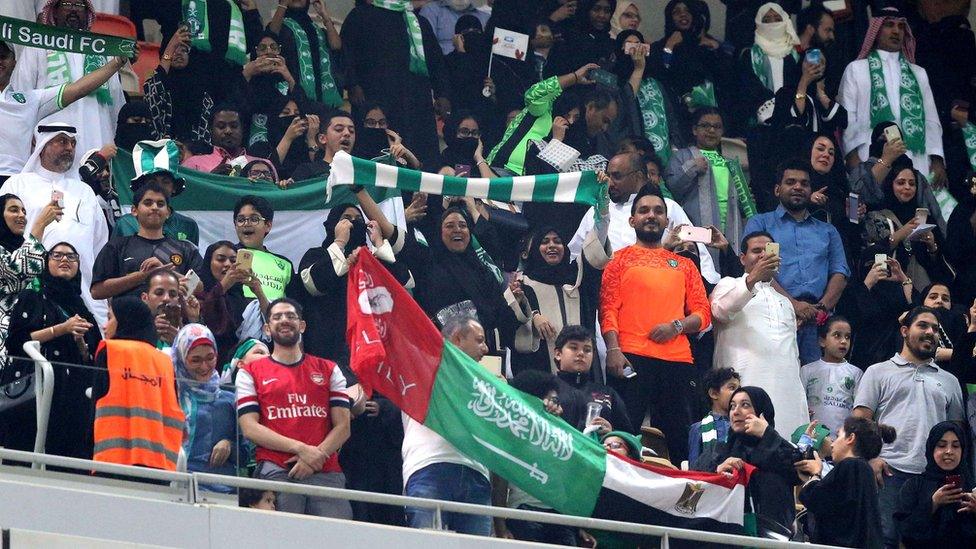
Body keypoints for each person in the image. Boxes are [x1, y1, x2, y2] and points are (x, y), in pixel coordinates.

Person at [600, 185, 711, 462]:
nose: (651, 215)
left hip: (677, 361)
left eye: (658, 211)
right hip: (631, 358)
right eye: (644, 210)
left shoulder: (684, 265)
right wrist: (613, 350)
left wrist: (675, 326)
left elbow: (703, 314)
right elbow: (608, 308)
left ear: (666, 221)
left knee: (681, 439)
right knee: (624, 435)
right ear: (632, 220)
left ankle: (685, 499)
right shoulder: (618, 260)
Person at [853, 306, 966, 548]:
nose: (930, 332)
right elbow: (860, 422)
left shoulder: (951, 382)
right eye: (923, 325)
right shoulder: (877, 372)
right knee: (884, 541)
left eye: (935, 329)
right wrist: (870, 459)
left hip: (934, 479)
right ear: (904, 330)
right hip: (888, 473)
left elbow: (957, 435)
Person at [236, 297, 353, 519]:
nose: (284, 320)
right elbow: (249, 428)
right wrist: (302, 449)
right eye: (277, 317)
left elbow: (343, 426)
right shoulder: (250, 371)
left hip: (326, 471)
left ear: (302, 325)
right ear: (267, 329)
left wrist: (315, 456)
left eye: (291, 316)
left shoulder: (329, 369)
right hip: (277, 471)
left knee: (336, 540)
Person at [743, 158, 850, 365]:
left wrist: (820, 309)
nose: (798, 187)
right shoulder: (760, 223)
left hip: (819, 322)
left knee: (816, 390)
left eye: (804, 183)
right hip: (772, 315)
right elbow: (755, 268)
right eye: (790, 182)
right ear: (777, 189)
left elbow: (840, 273)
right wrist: (792, 305)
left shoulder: (827, 230)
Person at [0, 124, 109, 323]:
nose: (69, 147)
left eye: (73, 142)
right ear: (42, 145)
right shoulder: (18, 184)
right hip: (30, 286)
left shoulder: (84, 192)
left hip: (81, 289)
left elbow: (99, 243)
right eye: (61, 141)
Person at [5, 242, 101, 458]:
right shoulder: (33, 298)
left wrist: (80, 345)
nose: (64, 260)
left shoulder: (84, 309)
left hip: (72, 399)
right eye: (57, 255)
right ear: (46, 264)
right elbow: (16, 343)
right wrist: (61, 329)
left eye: (71, 256)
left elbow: (93, 358)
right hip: (34, 394)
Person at [9, 0, 127, 175]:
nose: (73, 10)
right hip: (51, 143)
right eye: (66, 4)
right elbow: (21, 95)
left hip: (97, 140)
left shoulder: (103, 50)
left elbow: (116, 106)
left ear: (87, 13)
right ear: (54, 11)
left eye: (79, 6)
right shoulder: (38, 45)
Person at [710, 230, 809, 438]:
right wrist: (753, 279)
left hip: (787, 393)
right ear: (742, 258)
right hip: (743, 389)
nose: (763, 256)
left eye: (769, 251)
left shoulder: (785, 302)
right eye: (756, 251)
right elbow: (721, 311)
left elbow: (793, 355)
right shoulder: (728, 284)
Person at [570, 151, 722, 283]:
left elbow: (698, 253)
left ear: (638, 176)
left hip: (661, 290)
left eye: (616, 176)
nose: (610, 182)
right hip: (610, 295)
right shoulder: (597, 211)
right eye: (608, 176)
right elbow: (574, 256)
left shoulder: (668, 207)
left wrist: (708, 291)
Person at [402, 315, 491, 535]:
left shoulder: (490, 384)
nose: (486, 348)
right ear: (458, 338)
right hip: (430, 466)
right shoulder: (421, 366)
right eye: (479, 340)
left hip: (477, 472)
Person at [839, 7, 946, 184]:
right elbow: (847, 117)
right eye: (889, 25)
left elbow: (931, 119)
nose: (896, 31)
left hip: (916, 158)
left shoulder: (918, 73)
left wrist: (937, 159)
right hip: (870, 155)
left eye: (901, 26)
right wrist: (851, 155)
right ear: (876, 29)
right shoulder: (856, 69)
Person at [341, 0, 452, 169]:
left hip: (414, 102)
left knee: (417, 152)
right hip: (374, 99)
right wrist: (352, 84)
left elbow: (436, 61)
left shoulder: (417, 21)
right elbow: (346, 52)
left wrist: (442, 94)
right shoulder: (361, 15)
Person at [298, 198, 403, 362]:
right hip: (330, 351)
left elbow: (402, 283)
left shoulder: (373, 258)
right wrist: (339, 243)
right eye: (346, 218)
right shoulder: (316, 255)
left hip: (375, 348)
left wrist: (378, 242)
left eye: (359, 219)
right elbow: (315, 284)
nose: (354, 223)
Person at [91, 296, 184, 471]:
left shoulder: (110, 350)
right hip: (161, 467)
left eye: (110, 318)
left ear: (125, 320)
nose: (105, 325)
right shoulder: (165, 362)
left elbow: (94, 408)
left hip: (112, 463)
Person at [509, 215, 610, 374]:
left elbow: (595, 255)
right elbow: (511, 324)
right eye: (545, 242)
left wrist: (603, 219)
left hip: (582, 374)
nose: (552, 245)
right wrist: (534, 316)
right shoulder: (523, 284)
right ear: (535, 248)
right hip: (541, 372)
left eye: (557, 241)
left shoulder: (577, 280)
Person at [693, 385, 801, 530]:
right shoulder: (719, 450)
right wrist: (716, 471)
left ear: (762, 412)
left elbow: (798, 470)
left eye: (745, 405)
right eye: (732, 406)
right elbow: (693, 480)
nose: (735, 412)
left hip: (773, 536)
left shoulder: (778, 447)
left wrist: (767, 434)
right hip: (727, 537)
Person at [667, 107, 757, 260]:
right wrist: (692, 167)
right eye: (705, 126)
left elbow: (739, 204)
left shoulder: (730, 162)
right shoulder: (682, 156)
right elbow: (672, 188)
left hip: (731, 231)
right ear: (694, 130)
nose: (711, 130)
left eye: (717, 127)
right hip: (696, 230)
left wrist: (746, 202)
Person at [91, 182, 204, 301]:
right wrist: (141, 277)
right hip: (128, 318)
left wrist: (164, 272)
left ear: (167, 212)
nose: (155, 207)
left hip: (172, 317)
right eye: (148, 203)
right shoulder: (116, 246)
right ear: (134, 210)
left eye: (160, 204)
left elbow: (199, 287)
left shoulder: (185, 248)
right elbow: (97, 291)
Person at [794, 416, 894, 549]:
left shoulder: (850, 466)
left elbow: (816, 500)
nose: (832, 444)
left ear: (850, 438)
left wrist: (816, 473)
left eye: (838, 436)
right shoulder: (863, 470)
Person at [485, 62, 600, 176]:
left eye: (576, 117)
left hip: (535, 184)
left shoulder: (574, 134)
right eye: (566, 115)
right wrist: (574, 77)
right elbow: (533, 93)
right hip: (504, 170)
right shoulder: (543, 111)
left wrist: (557, 140)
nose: (570, 121)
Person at [172, 323, 238, 492]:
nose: (204, 366)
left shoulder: (228, 400)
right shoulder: (170, 395)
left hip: (221, 491)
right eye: (195, 360)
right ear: (181, 357)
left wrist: (229, 444)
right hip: (176, 486)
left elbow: (246, 454)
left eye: (210, 358)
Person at [874, 158, 954, 290]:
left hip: (923, 289)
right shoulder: (878, 216)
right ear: (890, 184)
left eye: (912, 184)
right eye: (901, 183)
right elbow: (874, 254)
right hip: (891, 288)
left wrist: (932, 246)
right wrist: (900, 234)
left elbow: (943, 270)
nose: (907, 187)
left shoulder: (925, 218)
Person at [895, 421, 976, 547]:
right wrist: (933, 504)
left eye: (956, 446)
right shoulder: (914, 486)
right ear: (931, 448)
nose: (949, 451)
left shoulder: (971, 485)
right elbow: (904, 530)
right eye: (942, 445)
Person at [112, 139, 200, 246]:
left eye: (165, 182)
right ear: (141, 186)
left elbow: (193, 262)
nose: (158, 187)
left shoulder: (188, 226)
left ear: (174, 188)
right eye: (152, 182)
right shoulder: (125, 224)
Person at [195, 241, 268, 365]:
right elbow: (205, 317)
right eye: (221, 259)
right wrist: (223, 286)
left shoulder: (241, 299)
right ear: (208, 263)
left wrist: (259, 293)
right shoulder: (198, 294)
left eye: (233, 260)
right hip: (206, 361)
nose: (228, 264)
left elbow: (270, 324)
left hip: (240, 365)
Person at [551, 325, 631, 433]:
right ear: (558, 354)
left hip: (598, 448)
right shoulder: (545, 389)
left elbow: (629, 437)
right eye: (574, 348)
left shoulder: (608, 393)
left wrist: (611, 433)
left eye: (587, 350)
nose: (581, 353)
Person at [144, 27, 214, 144]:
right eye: (175, 50)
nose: (179, 54)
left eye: (184, 50)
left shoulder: (201, 92)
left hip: (195, 152)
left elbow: (205, 132)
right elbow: (153, 96)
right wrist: (170, 47)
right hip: (163, 148)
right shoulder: (155, 84)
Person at [268, 0, 344, 108]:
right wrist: (283, 4)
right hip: (291, 97)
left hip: (321, 98)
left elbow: (336, 46)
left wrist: (325, 15)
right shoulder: (280, 26)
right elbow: (271, 35)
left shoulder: (317, 29)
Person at [800, 316, 862, 437]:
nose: (843, 341)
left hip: (842, 438)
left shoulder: (856, 373)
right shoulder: (807, 370)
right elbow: (799, 402)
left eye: (847, 337)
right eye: (837, 335)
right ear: (822, 341)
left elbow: (858, 409)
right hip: (812, 435)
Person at [232, 195, 297, 302]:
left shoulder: (285, 264)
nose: (246, 223)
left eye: (254, 219)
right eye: (241, 219)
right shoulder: (225, 256)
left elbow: (293, 305)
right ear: (235, 225)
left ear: (268, 225)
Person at [182, 104, 275, 174]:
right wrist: (211, 178)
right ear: (210, 130)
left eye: (234, 126)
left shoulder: (264, 165)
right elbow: (186, 197)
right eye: (221, 126)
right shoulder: (193, 164)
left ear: (243, 129)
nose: (228, 131)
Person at [741, 3, 801, 96]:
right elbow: (749, 88)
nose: (773, 24)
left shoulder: (794, 53)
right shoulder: (750, 55)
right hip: (761, 107)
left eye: (777, 19)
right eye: (767, 20)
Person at [545, 0, 616, 78]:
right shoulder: (567, 35)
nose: (602, 15)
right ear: (585, 10)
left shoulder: (610, 44)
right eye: (596, 9)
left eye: (607, 11)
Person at [687, 366, 740, 464]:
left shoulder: (744, 424)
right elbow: (694, 469)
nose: (738, 393)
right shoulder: (698, 429)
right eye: (732, 388)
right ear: (714, 393)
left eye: (739, 389)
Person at [290, 109, 356, 180]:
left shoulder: (361, 172)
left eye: (351, 131)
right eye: (339, 129)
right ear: (322, 138)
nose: (347, 133)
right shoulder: (306, 171)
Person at [419, 0, 490, 54]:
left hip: (479, 69)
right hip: (444, 68)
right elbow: (427, 51)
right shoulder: (431, 11)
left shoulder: (486, 18)